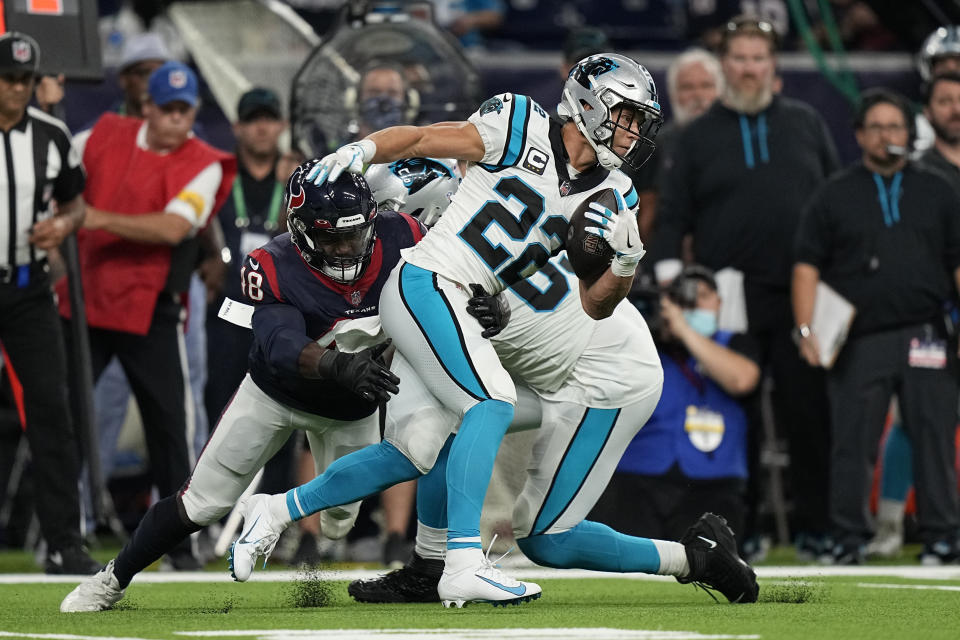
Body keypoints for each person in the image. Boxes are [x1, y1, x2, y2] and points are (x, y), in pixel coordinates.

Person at [229, 53, 668, 607]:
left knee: (418, 446)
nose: (632, 132)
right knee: (492, 402)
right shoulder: (518, 124)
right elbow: (420, 140)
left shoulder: (615, 195)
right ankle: (460, 563)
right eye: (624, 115)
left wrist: (624, 266)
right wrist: (362, 151)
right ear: (585, 105)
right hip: (429, 282)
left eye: (639, 121)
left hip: (454, 304)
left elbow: (595, 304)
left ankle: (275, 510)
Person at [59, 164, 420, 612]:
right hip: (275, 395)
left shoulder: (404, 234)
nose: (346, 250)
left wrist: (486, 303)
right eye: (330, 240)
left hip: (349, 409)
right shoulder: (275, 264)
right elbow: (280, 344)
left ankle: (281, 511)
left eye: (354, 236)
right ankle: (112, 579)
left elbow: (449, 281)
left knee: (339, 525)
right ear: (301, 232)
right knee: (200, 504)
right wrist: (339, 366)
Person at [346, 254, 758, 605]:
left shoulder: (471, 241)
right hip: (556, 365)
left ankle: (695, 558)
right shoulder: (499, 220)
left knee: (545, 538)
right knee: (449, 410)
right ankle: (429, 566)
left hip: (600, 377)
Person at [652, 16, 839, 556]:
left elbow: (834, 208)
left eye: (760, 58)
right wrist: (674, 296)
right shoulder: (695, 137)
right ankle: (744, 528)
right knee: (737, 419)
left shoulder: (807, 123)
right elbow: (673, 224)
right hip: (728, 298)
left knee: (809, 412)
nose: (750, 68)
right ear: (724, 63)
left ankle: (819, 529)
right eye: (740, 58)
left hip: (803, 293)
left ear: (773, 64)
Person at [56, 61, 235, 568]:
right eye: (169, 108)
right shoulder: (95, 137)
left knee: (170, 426)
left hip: (150, 303)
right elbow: (57, 181)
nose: (178, 119)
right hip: (86, 297)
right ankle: (63, 534)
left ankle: (179, 540)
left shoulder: (204, 160)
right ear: (148, 108)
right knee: (64, 417)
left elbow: (174, 228)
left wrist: (89, 217)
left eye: (186, 109)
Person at [792, 88, 960, 565]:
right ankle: (847, 539)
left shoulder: (939, 191)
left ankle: (943, 537)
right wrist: (806, 331)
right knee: (853, 442)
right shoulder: (833, 193)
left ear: (910, 133)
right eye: (877, 127)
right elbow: (806, 265)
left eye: (896, 127)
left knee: (935, 437)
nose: (887, 136)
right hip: (859, 338)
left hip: (927, 332)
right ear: (859, 135)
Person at [0, 32, 100, 575]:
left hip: (26, 285)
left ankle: (64, 540)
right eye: (8, 80)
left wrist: (63, 224)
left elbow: (76, 203)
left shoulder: (52, 135)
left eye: (24, 80)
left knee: (50, 410)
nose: (16, 90)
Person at [591, 265, 760, 541]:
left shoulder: (734, 342)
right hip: (636, 477)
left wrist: (684, 331)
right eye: (683, 299)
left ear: (719, 303)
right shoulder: (644, 343)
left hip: (712, 483)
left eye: (702, 296)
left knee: (706, 560)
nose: (693, 304)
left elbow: (742, 380)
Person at [635, 48, 723, 241]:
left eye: (706, 86)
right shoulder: (655, 146)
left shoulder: (736, 142)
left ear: (720, 91)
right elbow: (646, 210)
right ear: (674, 94)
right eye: (687, 87)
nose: (697, 95)